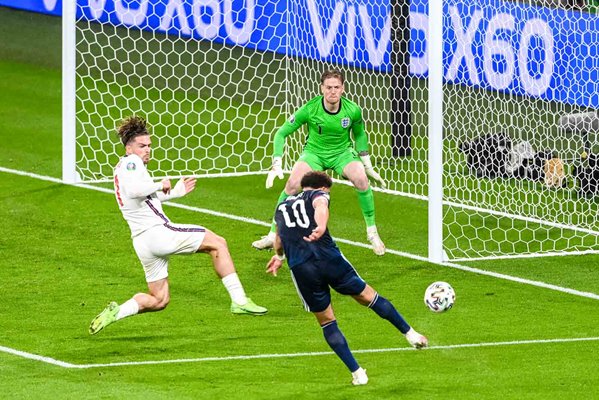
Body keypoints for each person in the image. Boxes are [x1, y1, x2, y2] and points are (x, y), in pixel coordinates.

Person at [89, 116, 267, 335]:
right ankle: (239, 299)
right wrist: (159, 183)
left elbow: (142, 199)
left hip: (142, 242)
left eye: (149, 146)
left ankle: (118, 311)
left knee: (159, 299)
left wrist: (175, 192)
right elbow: (135, 191)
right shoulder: (131, 162)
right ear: (128, 148)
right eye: (142, 146)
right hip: (158, 233)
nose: (147, 150)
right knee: (218, 243)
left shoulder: (121, 169)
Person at [265, 171, 427, 385]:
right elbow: (321, 207)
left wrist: (279, 257)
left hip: (302, 268)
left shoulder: (281, 206)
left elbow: (278, 239)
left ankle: (358, 373)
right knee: (369, 296)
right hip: (329, 259)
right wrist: (320, 226)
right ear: (322, 187)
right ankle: (411, 334)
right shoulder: (318, 194)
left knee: (327, 321)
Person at [253, 69, 387, 256]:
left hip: (342, 153)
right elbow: (281, 133)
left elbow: (359, 134)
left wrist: (367, 165)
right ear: (321, 88)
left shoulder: (353, 110)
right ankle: (272, 234)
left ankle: (372, 232)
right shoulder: (310, 108)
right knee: (291, 185)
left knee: (361, 179)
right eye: (329, 87)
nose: (333, 91)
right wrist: (276, 162)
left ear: (343, 89)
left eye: (337, 87)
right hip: (314, 153)